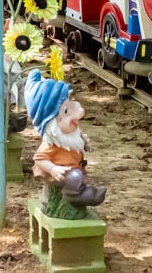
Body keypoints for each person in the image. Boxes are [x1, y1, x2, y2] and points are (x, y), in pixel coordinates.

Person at [25, 69, 106, 219]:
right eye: (66, 111)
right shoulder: (51, 143)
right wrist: (53, 168)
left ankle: (80, 193)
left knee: (76, 175)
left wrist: (84, 142)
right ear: (51, 122)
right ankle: (75, 196)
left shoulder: (69, 135)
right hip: (62, 175)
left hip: (73, 170)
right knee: (74, 176)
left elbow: (76, 143)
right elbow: (39, 159)